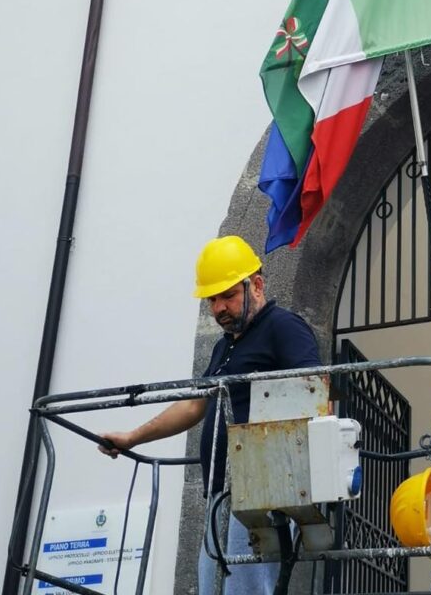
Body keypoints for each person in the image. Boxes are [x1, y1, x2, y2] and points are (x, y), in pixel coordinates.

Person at [98, 235, 322, 594]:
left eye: (228, 295)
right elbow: (192, 406)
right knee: (214, 588)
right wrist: (131, 438)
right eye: (212, 299)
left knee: (242, 591)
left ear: (258, 285)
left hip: (263, 488)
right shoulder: (225, 346)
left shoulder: (284, 326)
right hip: (224, 492)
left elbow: (314, 391)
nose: (219, 308)